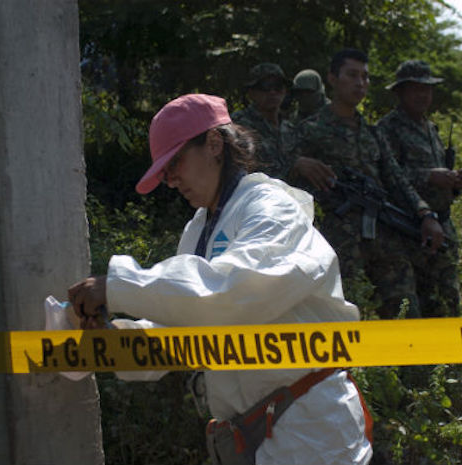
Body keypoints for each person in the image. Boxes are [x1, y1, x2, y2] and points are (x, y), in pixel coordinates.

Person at [68, 94, 373, 465]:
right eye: (163, 171)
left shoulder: (271, 209)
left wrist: (117, 286)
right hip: (254, 435)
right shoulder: (199, 230)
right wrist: (113, 341)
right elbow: (180, 325)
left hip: (310, 434)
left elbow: (233, 291)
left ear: (214, 144)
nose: (170, 180)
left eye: (174, 163)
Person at [289, 49, 444, 319]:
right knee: (342, 319)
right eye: (352, 75)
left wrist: (425, 213)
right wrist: (297, 164)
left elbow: (397, 180)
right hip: (336, 244)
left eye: (365, 77)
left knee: (406, 313)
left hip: (383, 238)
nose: (360, 83)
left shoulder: (374, 133)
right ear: (332, 79)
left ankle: (413, 363)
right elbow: (278, 177)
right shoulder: (309, 130)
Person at [376, 60, 462, 318]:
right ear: (400, 92)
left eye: (426, 89)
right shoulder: (388, 128)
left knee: (447, 303)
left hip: (442, 227)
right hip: (407, 230)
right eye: (415, 89)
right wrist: (428, 177)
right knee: (410, 308)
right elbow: (388, 178)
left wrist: (453, 182)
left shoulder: (432, 129)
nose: (422, 95)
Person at [231, 63, 295, 180]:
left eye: (278, 87)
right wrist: (293, 170)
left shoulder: (289, 128)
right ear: (251, 92)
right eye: (264, 87)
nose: (272, 92)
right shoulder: (239, 126)